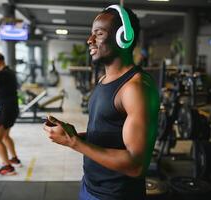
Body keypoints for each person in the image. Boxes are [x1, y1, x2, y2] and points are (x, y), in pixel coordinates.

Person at [43, 5, 159, 200]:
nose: (89, 40)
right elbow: (110, 133)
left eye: (98, 33)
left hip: (115, 195)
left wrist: (74, 143)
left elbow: (135, 165)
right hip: (90, 185)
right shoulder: (103, 80)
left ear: (124, 37)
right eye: (91, 34)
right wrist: (74, 135)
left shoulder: (135, 89)